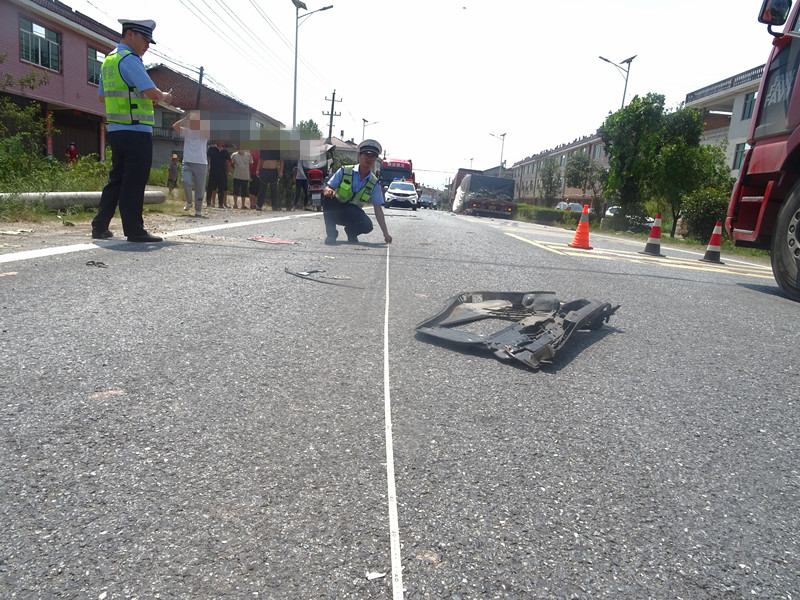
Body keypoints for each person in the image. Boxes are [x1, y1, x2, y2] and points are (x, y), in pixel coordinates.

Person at [92, 18, 172, 243]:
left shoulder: (109, 60)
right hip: (136, 130)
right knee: (134, 181)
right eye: (145, 40)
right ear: (130, 35)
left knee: (116, 179)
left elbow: (101, 96)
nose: (147, 45)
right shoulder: (130, 59)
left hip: (116, 129)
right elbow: (152, 93)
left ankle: (100, 226)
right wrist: (164, 96)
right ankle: (134, 230)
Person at [322, 139, 392, 245]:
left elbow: (378, 209)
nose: (369, 159)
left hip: (353, 213)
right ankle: (331, 234)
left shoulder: (374, 183)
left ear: (375, 160)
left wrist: (385, 234)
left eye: (373, 156)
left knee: (367, 225)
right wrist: (328, 191)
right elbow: (328, 187)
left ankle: (351, 232)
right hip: (337, 208)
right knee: (326, 198)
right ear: (360, 156)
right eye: (366, 155)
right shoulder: (344, 170)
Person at [173, 112, 209, 217]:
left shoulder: (203, 132)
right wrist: (186, 118)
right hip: (188, 162)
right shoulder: (187, 132)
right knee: (185, 181)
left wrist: (199, 119)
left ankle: (198, 210)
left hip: (201, 163)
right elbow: (175, 126)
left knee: (200, 188)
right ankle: (189, 202)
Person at [256, 147, 283, 211]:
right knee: (262, 189)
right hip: (264, 170)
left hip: (274, 171)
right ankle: (259, 205)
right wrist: (258, 170)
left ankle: (274, 206)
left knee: (274, 189)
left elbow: (282, 161)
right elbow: (260, 160)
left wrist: (280, 171)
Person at [207, 140, 231, 208]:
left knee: (221, 188)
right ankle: (209, 202)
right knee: (211, 187)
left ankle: (221, 203)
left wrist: (228, 171)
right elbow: (208, 158)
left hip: (222, 172)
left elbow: (227, 162)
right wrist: (207, 168)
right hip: (213, 171)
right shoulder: (211, 149)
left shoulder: (225, 151)